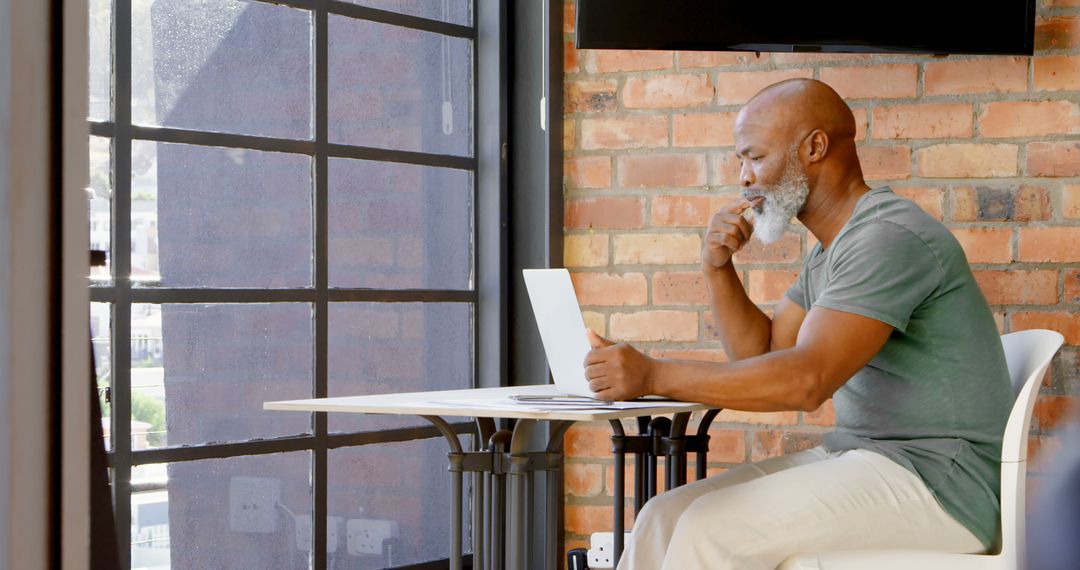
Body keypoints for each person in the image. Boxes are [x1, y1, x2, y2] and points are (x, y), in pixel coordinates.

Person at [583, 78, 1013, 570]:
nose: (744, 178)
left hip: (941, 483)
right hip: (866, 457)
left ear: (814, 147)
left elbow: (806, 380)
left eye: (754, 157)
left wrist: (653, 375)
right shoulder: (831, 251)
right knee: (663, 515)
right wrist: (717, 268)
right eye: (740, 162)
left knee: (710, 529)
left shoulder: (886, 238)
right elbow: (763, 359)